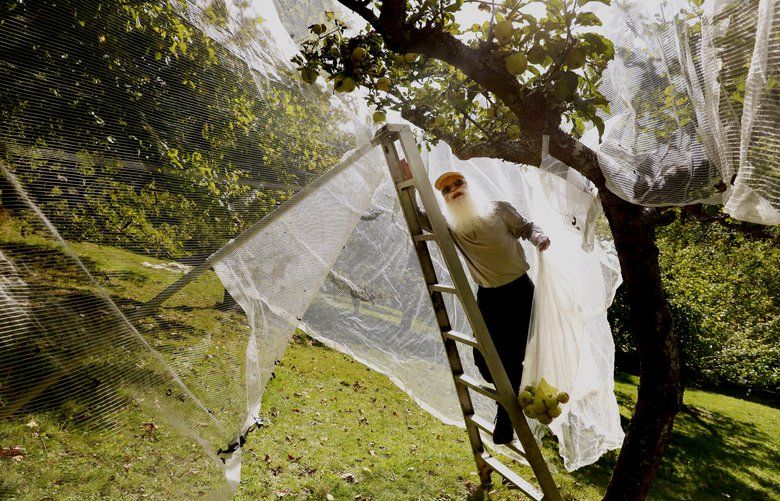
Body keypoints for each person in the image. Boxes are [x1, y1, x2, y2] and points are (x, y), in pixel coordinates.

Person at [402, 161, 550, 444]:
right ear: (444, 199)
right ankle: (508, 406)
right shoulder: (450, 223)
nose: (453, 190)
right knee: (483, 359)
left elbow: (527, 227)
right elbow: (420, 216)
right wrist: (409, 183)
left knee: (513, 357)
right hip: (489, 297)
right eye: (447, 189)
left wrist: (538, 237)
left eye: (457, 184)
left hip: (520, 291)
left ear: (468, 186)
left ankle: (506, 418)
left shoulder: (498, 209)